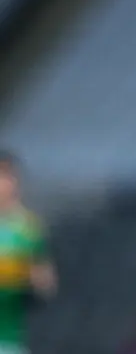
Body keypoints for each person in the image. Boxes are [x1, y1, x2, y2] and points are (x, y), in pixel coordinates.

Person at [0, 151, 56, 354]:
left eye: (7, 176)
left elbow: (45, 285)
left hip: (9, 341)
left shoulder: (28, 229)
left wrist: (29, 280)